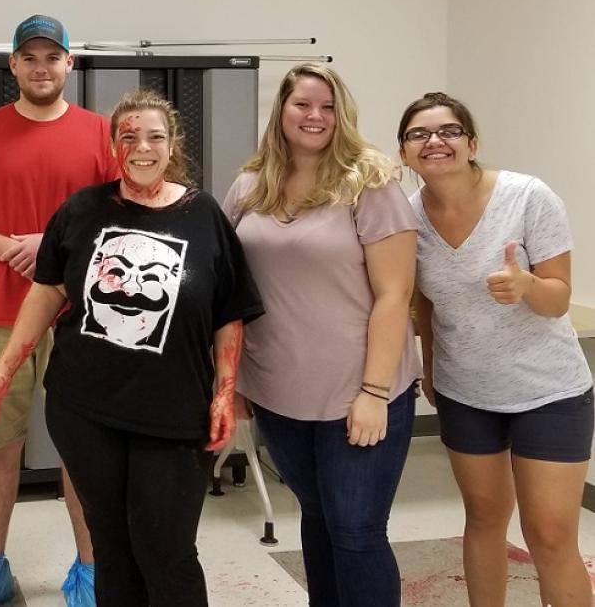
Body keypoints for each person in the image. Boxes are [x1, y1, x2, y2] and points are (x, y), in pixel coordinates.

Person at [0, 88, 264, 605]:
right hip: (86, 409)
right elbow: (45, 297)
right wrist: (2, 371)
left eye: (155, 136)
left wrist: (224, 392)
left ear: (173, 146)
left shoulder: (205, 217)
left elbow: (228, 315)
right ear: (113, 146)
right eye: (129, 136)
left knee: (166, 550)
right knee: (110, 545)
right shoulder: (82, 211)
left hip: (174, 414)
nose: (142, 148)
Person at [0, 14, 117, 607]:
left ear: (70, 65)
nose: (41, 67)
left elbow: (118, 223)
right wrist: (17, 248)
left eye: (52, 57)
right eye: (29, 58)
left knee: (83, 451)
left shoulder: (100, 135)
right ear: (12, 65)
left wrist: (53, 247)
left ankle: (91, 571)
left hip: (80, 317)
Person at [221, 63, 421, 607]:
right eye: (302, 105)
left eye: (327, 107)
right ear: (280, 111)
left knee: (356, 530)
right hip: (280, 393)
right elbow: (231, 288)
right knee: (316, 516)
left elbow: (393, 296)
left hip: (359, 393)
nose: (315, 116)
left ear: (342, 114)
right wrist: (233, 381)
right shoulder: (249, 184)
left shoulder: (369, 182)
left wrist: (375, 393)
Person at [399, 92, 594, 607]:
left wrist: (527, 285)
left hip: (548, 392)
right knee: (484, 521)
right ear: (403, 154)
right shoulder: (407, 218)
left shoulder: (529, 197)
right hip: (467, 393)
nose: (434, 141)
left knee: (550, 536)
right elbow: (424, 304)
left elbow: (558, 300)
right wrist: (432, 369)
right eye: (419, 134)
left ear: (472, 143)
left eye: (448, 131)